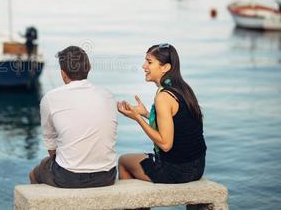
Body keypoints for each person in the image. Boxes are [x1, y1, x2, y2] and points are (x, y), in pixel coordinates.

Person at [117, 43, 206, 184]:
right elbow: (178, 123)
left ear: (165, 67)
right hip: (197, 167)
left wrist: (137, 118)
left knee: (123, 161)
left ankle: (136, 205)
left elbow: (165, 144)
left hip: (177, 171)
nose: (143, 66)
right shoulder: (182, 88)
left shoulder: (163, 97)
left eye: (149, 62)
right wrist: (146, 114)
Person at [29, 46, 117, 188]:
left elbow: (50, 143)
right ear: (89, 67)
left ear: (63, 74)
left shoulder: (50, 98)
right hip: (107, 176)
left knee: (35, 172)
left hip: (68, 177)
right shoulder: (107, 95)